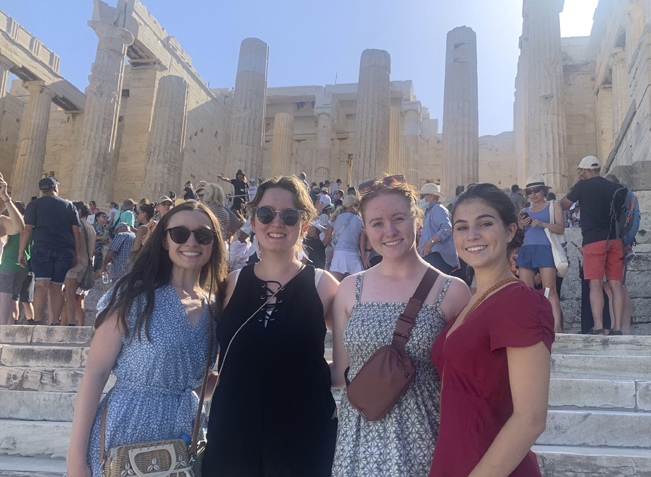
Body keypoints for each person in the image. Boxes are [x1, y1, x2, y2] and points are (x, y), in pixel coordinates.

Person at [65, 201, 225, 477]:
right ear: (164, 240)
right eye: (179, 234)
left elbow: (196, 386)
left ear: (213, 243)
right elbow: (95, 373)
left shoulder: (216, 308)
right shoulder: (134, 294)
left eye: (203, 235)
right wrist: (76, 459)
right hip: (127, 426)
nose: (191, 241)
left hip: (182, 436)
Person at [330, 175, 470, 477]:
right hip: (357, 445)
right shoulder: (348, 289)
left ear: (417, 220)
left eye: (398, 219)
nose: (389, 231)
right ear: (365, 229)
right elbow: (342, 373)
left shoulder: (453, 291)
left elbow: (465, 383)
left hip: (424, 442)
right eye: (377, 223)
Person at [202, 176, 339, 477]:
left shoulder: (325, 287)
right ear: (253, 221)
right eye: (265, 214)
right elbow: (219, 363)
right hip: (232, 434)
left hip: (303, 434)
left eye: (289, 216)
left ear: (304, 225)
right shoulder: (229, 285)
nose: (276, 223)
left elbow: (344, 369)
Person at [429, 183, 554, 477]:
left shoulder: (519, 302)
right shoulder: (472, 303)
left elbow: (531, 418)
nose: (472, 235)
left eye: (484, 223)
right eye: (461, 227)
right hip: (455, 459)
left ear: (510, 231)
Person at [561, 155, 625, 335]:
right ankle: (617, 327)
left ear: (583, 171)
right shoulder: (615, 187)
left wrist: (575, 185)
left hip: (594, 241)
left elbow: (564, 205)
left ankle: (598, 326)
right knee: (616, 284)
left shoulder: (583, 185)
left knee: (595, 285)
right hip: (615, 240)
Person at [19, 177, 82, 325]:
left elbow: (27, 229)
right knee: (57, 286)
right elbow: (76, 232)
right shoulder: (69, 206)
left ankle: (36, 321)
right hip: (64, 250)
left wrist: (21, 251)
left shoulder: (34, 205)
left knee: (41, 285)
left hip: (41, 247)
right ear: (55, 188)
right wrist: (76, 253)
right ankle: (54, 323)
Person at [516, 176, 565, 332]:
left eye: (536, 190)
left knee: (550, 289)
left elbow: (561, 228)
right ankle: (531, 326)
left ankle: (557, 328)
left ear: (543, 191)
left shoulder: (553, 205)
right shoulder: (524, 211)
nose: (533, 194)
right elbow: (518, 234)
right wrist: (520, 226)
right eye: (529, 191)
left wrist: (542, 224)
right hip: (526, 249)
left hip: (545, 248)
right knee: (526, 291)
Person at [0, 175, 29, 325]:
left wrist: (5, 197)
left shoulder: (1, 221)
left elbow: (19, 227)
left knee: (6, 298)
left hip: (6, 267)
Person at [62, 202, 96, 327]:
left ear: (79, 211)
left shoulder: (77, 224)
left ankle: (70, 323)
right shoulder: (91, 227)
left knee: (69, 294)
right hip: (85, 263)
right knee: (75, 296)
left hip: (74, 263)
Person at [418, 183, 458, 274]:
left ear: (431, 197)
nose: (421, 200)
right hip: (433, 255)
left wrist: (430, 242)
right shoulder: (432, 211)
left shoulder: (437, 209)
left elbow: (447, 228)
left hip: (437, 256)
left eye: (422, 196)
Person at [323, 195, 364, 282]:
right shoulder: (360, 220)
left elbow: (325, 241)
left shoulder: (335, 217)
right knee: (355, 289)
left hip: (338, 256)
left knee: (333, 288)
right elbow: (361, 244)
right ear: (355, 206)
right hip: (353, 256)